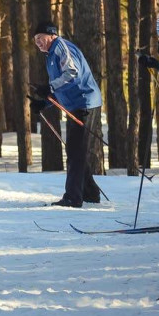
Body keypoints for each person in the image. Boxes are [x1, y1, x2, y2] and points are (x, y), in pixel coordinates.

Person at [30, 20, 102, 208]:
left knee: (75, 151)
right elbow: (59, 87)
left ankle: (73, 197)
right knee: (74, 149)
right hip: (74, 104)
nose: (37, 42)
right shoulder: (50, 55)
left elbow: (72, 73)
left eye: (40, 38)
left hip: (84, 102)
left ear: (51, 35)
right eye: (35, 39)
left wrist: (49, 87)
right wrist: (43, 103)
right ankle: (90, 193)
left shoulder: (60, 47)